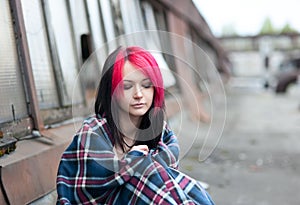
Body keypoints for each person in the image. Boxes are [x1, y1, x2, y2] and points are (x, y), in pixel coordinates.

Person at [56, 46, 215, 205]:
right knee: (146, 173)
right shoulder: (93, 133)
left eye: (146, 85)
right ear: (112, 91)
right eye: (127, 86)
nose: (138, 94)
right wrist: (132, 162)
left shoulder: (162, 134)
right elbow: (84, 193)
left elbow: (168, 186)